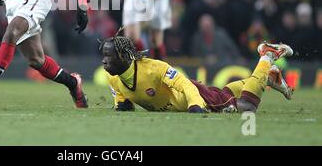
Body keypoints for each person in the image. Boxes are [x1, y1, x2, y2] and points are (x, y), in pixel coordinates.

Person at [100, 30, 294, 113]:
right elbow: (122, 96)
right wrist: (122, 105)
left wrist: (195, 105)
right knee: (225, 94)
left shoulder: (154, 68)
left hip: (195, 96)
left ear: (124, 57)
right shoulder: (113, 77)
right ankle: (267, 76)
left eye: (108, 56)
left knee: (247, 107)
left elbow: (184, 83)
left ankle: (267, 56)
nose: (104, 60)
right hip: (189, 100)